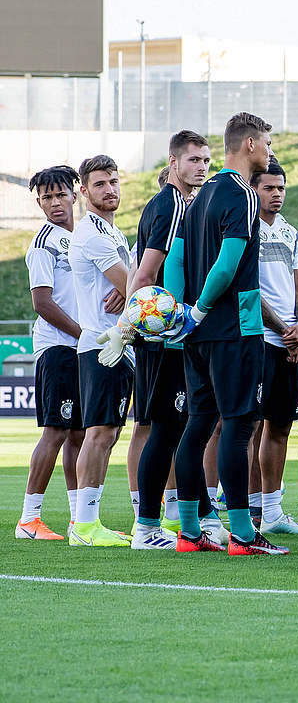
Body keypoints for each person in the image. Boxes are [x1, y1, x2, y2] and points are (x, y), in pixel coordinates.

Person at [164, 112, 286, 555]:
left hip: (197, 334)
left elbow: (176, 257)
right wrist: (197, 310)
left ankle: (190, 532)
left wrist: (179, 312)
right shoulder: (241, 193)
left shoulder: (201, 194)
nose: (270, 152)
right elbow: (229, 262)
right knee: (238, 428)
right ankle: (242, 534)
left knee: (198, 426)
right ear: (250, 144)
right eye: (267, 143)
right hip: (235, 327)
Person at [126, 130, 222, 548]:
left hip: (175, 338)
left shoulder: (181, 204)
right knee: (166, 429)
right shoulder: (170, 207)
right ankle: (146, 527)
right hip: (165, 339)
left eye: (205, 160)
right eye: (193, 160)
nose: (201, 167)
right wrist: (135, 325)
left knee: (182, 428)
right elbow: (146, 275)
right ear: (173, 161)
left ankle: (199, 513)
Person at [66, 155, 135, 547]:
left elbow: (131, 288)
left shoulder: (113, 233)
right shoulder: (91, 235)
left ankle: (89, 521)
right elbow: (136, 289)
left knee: (108, 434)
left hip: (118, 343)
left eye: (113, 181)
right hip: (100, 343)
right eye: (100, 184)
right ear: (83, 191)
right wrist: (130, 288)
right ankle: (85, 525)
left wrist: (129, 289)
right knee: (99, 433)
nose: (110, 190)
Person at [16, 166, 84, 541]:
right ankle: (29, 519)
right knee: (56, 431)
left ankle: (79, 519)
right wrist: (84, 333)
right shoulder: (44, 242)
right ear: (39, 202)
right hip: (58, 347)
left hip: (81, 348)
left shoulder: (83, 237)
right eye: (46, 198)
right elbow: (42, 302)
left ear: (75, 194)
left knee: (77, 434)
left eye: (60, 194)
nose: (55, 203)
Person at [252, 159, 298, 535]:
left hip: (289, 342)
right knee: (248, 427)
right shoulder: (245, 228)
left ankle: (272, 512)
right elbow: (249, 290)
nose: (276, 194)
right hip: (258, 340)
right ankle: (250, 510)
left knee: (280, 428)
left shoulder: (290, 233)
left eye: (281, 188)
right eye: (269, 188)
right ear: (254, 189)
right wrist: (283, 328)